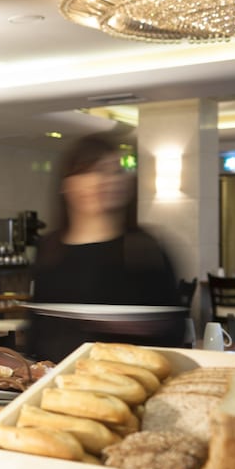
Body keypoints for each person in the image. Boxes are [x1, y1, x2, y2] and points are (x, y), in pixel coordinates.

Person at [25, 135, 183, 362]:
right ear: (67, 185)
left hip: (128, 376)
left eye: (115, 171)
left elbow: (174, 331)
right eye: (93, 171)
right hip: (59, 379)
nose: (105, 180)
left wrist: (134, 327)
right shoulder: (49, 249)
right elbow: (37, 332)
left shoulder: (146, 249)